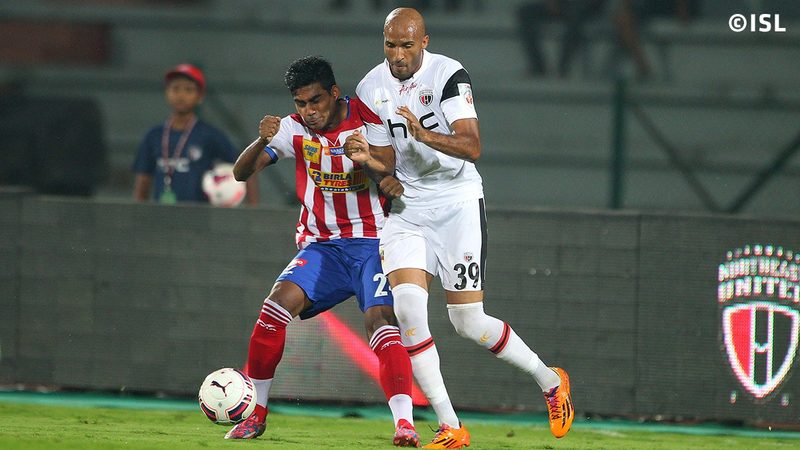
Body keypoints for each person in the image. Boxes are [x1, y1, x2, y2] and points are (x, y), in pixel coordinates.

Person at [344, 8, 574, 448]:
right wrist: (368, 161)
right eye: (390, 45)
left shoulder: (448, 74)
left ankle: (550, 381)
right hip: (409, 208)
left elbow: (472, 146)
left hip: (457, 203)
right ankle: (451, 425)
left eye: (406, 45)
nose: (397, 55)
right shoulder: (370, 87)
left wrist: (424, 134)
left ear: (424, 42)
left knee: (468, 321)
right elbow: (386, 163)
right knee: (408, 311)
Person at [223, 56, 420, 447]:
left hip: (373, 242)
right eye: (300, 103)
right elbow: (240, 173)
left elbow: (390, 174)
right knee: (273, 310)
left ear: (334, 93)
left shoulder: (367, 118)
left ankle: (405, 424)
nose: (309, 111)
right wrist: (262, 139)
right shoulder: (292, 128)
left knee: (382, 323)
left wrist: (370, 162)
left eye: (315, 101)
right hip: (321, 246)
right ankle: (256, 415)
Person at [132, 64, 258, 205]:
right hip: (161, 214)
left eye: (188, 90)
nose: (181, 95)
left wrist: (252, 212)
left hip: (199, 215)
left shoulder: (209, 134)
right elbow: (142, 181)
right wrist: (139, 214)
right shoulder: (154, 136)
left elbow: (247, 165)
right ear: (167, 92)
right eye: (175, 88)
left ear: (200, 96)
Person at [516, 0, 607, 78]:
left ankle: (563, 68)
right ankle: (538, 66)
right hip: (563, 4)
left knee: (575, 15)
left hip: (587, 6)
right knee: (525, 12)